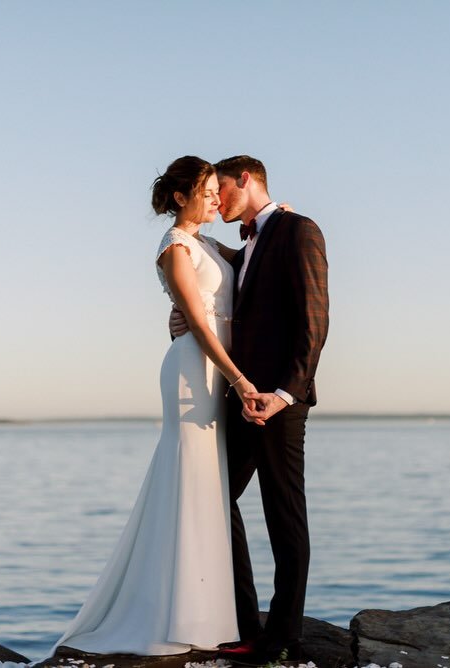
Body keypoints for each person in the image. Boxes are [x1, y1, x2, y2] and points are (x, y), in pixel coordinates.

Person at [52, 156, 255, 655]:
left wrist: (280, 214)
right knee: (189, 477)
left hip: (218, 370)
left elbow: (255, 252)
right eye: (207, 191)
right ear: (182, 196)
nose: (215, 198)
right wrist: (238, 378)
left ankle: (205, 613)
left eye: (217, 190)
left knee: (209, 484)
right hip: (194, 370)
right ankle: (171, 612)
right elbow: (198, 322)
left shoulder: (208, 243)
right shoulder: (174, 246)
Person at [171, 156, 329, 663]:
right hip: (239, 399)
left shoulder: (298, 230)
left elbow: (314, 320)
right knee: (217, 499)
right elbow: (205, 271)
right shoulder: (244, 246)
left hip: (280, 401)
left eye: (221, 189)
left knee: (284, 514)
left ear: (246, 179)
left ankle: (285, 636)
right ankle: (244, 623)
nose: (217, 200)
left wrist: (285, 393)